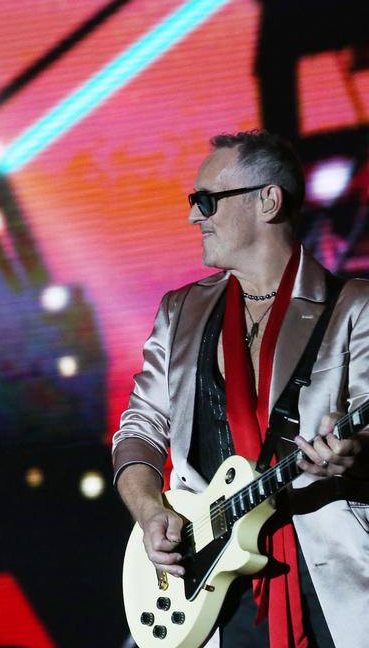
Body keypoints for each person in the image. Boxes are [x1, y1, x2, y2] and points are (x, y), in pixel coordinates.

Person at [113, 130, 369, 646]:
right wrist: (148, 510)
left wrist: (353, 455)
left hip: (332, 585)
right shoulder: (180, 312)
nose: (193, 217)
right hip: (208, 592)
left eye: (206, 201)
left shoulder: (354, 307)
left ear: (267, 201)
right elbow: (138, 430)